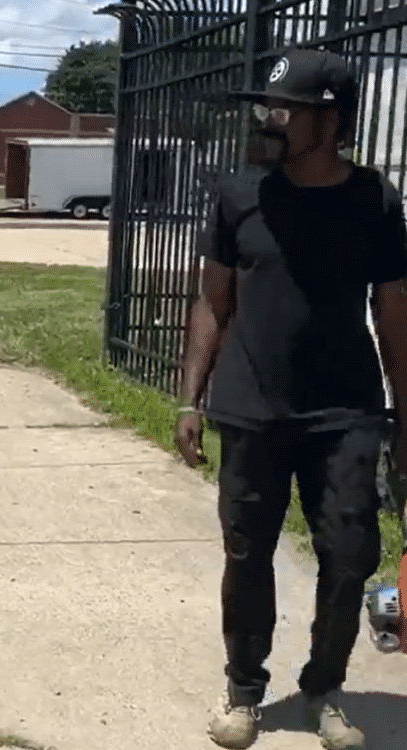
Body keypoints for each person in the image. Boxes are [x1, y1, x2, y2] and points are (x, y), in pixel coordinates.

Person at [176, 48, 407, 750]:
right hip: (250, 408)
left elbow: (394, 314)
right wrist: (191, 399)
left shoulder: (376, 203)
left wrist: (405, 418)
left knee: (349, 553)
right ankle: (245, 690)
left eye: (287, 110)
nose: (270, 121)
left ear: (331, 121)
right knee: (247, 554)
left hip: (345, 410)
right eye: (269, 108)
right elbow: (212, 303)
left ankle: (324, 687)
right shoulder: (239, 194)